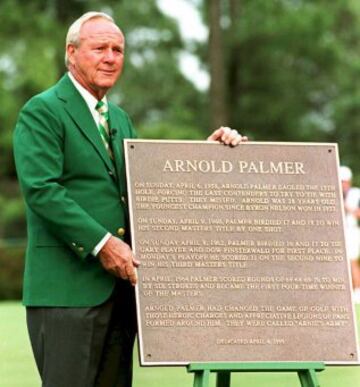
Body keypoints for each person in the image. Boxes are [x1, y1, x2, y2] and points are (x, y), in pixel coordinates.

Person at [13, 11, 247, 387]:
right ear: (71, 53)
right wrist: (104, 244)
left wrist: (208, 158)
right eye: (99, 48)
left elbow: (143, 186)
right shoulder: (43, 110)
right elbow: (42, 190)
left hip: (121, 297)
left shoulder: (119, 118)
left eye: (118, 49)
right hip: (66, 294)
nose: (110, 57)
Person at [340, 166, 360, 302]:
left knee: (352, 260)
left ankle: (357, 291)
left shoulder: (356, 193)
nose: (342, 184)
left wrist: (345, 205)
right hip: (339, 230)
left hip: (352, 230)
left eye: (344, 181)